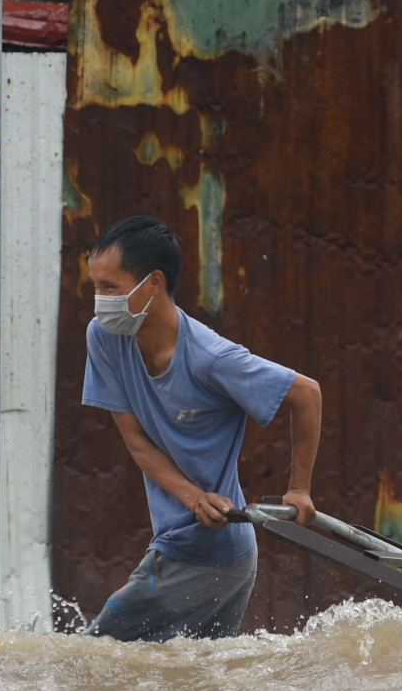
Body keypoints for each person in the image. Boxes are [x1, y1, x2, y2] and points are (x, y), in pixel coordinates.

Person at [80, 215, 322, 642]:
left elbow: (307, 394)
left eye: (110, 288)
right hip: (205, 549)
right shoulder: (105, 338)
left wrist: (299, 488)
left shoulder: (210, 357)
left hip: (201, 555)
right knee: (192, 687)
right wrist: (194, 499)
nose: (99, 301)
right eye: (95, 287)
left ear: (153, 283)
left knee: (92, 662)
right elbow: (138, 445)